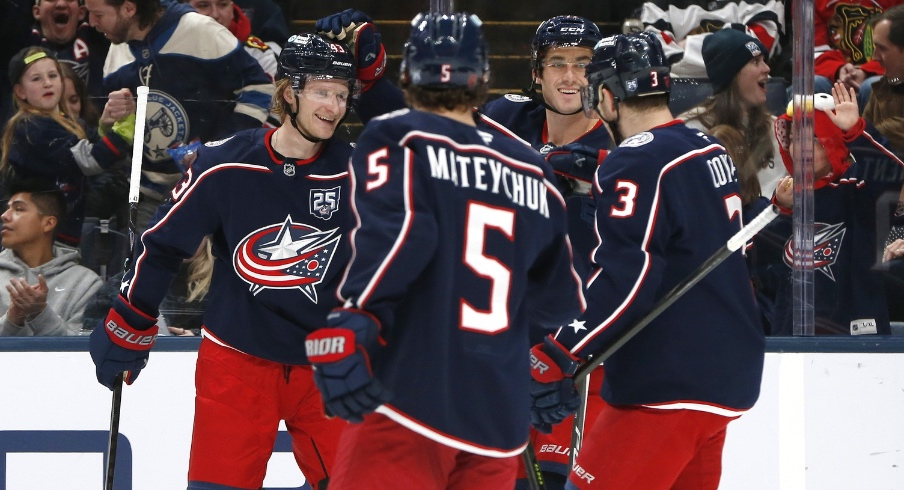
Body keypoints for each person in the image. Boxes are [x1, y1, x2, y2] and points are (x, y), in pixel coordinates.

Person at [314, 11, 609, 487]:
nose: (571, 75)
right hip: (503, 393)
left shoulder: (403, 138)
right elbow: (555, 296)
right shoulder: (528, 159)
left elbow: (403, 231)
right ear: (519, 74)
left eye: (583, 63)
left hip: (430, 387)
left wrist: (358, 316)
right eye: (558, 63)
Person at [88, 32, 360, 490]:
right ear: (288, 91)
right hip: (238, 361)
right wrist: (129, 320)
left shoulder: (365, 172)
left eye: (340, 94)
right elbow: (162, 246)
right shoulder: (224, 164)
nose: (333, 107)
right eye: (320, 91)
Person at [529, 32, 764, 489]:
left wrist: (559, 353)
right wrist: (600, 163)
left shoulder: (635, 164)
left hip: (666, 383)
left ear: (605, 94)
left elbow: (628, 276)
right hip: (726, 377)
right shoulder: (708, 149)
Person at [84, 0, 275, 229]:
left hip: (210, 190)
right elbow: (127, 130)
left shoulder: (200, 30)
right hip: (149, 198)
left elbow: (259, 88)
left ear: (128, 8)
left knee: (207, 265)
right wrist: (108, 122)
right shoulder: (116, 50)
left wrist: (219, 150)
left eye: (97, 14)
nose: (91, 22)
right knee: (145, 264)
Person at [758, 84, 904, 335]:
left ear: (833, 142)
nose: (798, 149)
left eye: (811, 139)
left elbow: (894, 172)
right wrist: (781, 211)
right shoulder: (786, 197)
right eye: (793, 139)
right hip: (793, 337)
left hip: (856, 336)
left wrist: (856, 131)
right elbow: (756, 262)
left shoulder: (857, 186)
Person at [1, 46, 135, 247]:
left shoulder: (61, 121)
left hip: (58, 232)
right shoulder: (33, 127)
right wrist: (124, 132)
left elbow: (83, 147)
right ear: (20, 91)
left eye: (53, 75)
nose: (47, 83)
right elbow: (90, 161)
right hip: (41, 239)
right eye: (36, 79)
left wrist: (105, 126)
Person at [681, 28, 785, 205]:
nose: (767, 68)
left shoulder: (777, 129)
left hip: (773, 226)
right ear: (732, 73)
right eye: (755, 61)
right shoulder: (690, 131)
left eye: (764, 61)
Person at [0, 179, 102, 336]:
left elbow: (83, 352)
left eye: (18, 209)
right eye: (7, 209)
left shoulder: (86, 282)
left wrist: (41, 313)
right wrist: (12, 319)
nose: (4, 216)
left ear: (48, 223)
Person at [639, 0, 784, 79]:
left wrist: (687, 45)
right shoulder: (657, 4)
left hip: (745, 94)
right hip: (682, 94)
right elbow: (661, 57)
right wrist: (735, 42)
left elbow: (759, 46)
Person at [811, 0, 904, 109]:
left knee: (870, 86)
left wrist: (866, 71)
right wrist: (839, 70)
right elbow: (812, 51)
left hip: (885, 72)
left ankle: (869, 126)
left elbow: (898, 50)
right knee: (814, 83)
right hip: (837, 75)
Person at [28, 0, 111, 106]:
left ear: (82, 12)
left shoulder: (96, 35)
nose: (61, 4)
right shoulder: (20, 41)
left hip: (93, 120)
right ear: (36, 12)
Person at [863, 4, 904, 153]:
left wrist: (875, 134)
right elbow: (858, 153)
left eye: (882, 48)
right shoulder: (882, 90)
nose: (874, 57)